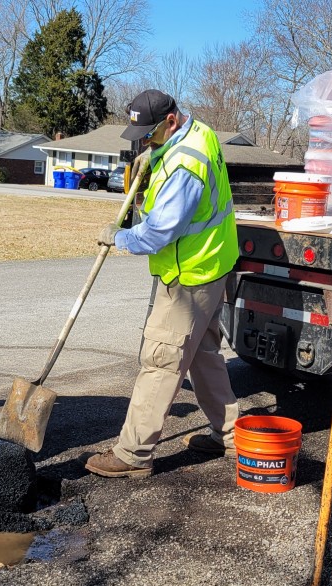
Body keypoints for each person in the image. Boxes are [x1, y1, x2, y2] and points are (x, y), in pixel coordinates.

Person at [85, 89, 240, 478]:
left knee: (161, 359)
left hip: (189, 274)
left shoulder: (185, 165)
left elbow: (158, 233)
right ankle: (230, 435)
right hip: (211, 266)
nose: (143, 140)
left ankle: (133, 454)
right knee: (203, 356)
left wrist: (117, 237)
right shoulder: (197, 133)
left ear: (170, 121)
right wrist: (152, 156)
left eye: (149, 134)